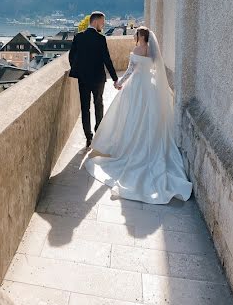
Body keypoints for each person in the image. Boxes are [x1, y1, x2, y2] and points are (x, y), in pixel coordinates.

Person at [84, 27, 192, 204]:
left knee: (130, 117)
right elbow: (156, 70)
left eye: (136, 34)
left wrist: (119, 83)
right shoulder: (152, 51)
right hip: (150, 87)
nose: (134, 36)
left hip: (136, 87)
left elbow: (130, 70)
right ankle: (148, 143)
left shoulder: (136, 50)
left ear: (140, 36)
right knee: (148, 117)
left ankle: (129, 146)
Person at [69, 11, 118, 148]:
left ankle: (88, 137)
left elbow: (72, 57)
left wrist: (78, 70)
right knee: (98, 104)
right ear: (96, 21)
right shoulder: (101, 39)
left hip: (83, 78)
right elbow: (107, 60)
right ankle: (99, 132)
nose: (103, 25)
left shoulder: (78, 37)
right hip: (98, 79)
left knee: (85, 108)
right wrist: (115, 78)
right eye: (102, 22)